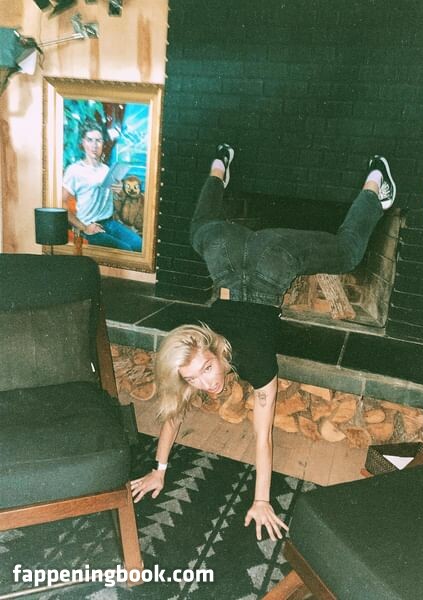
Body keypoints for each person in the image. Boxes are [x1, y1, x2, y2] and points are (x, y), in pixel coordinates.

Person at [131, 144, 396, 541]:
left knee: (347, 254)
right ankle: (218, 166)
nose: (207, 383)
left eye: (207, 369)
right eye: (194, 377)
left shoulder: (254, 362)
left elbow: (262, 436)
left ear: (214, 348)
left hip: (274, 260)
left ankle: (376, 183)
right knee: (199, 230)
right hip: (224, 249)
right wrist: (160, 470)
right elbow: (174, 411)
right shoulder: (193, 349)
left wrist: (261, 500)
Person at [62, 119, 143, 252]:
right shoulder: (74, 170)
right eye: (90, 140)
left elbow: (114, 201)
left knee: (139, 244)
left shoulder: (107, 170)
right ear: (83, 143)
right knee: (125, 249)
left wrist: (119, 192)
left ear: (103, 143)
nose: (94, 145)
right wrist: (84, 228)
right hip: (89, 225)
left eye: (98, 140)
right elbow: (61, 203)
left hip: (109, 222)